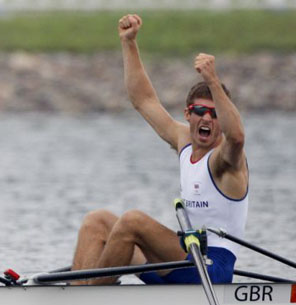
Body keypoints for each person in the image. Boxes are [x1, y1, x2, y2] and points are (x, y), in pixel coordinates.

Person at [70, 14, 248, 285]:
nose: (207, 119)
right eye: (200, 111)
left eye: (214, 114)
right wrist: (129, 43)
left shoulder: (225, 159)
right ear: (188, 114)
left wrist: (213, 81)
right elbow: (143, 100)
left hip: (211, 269)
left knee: (133, 221)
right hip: (186, 258)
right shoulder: (183, 140)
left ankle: (89, 299)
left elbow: (237, 137)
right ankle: (76, 292)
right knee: (97, 221)